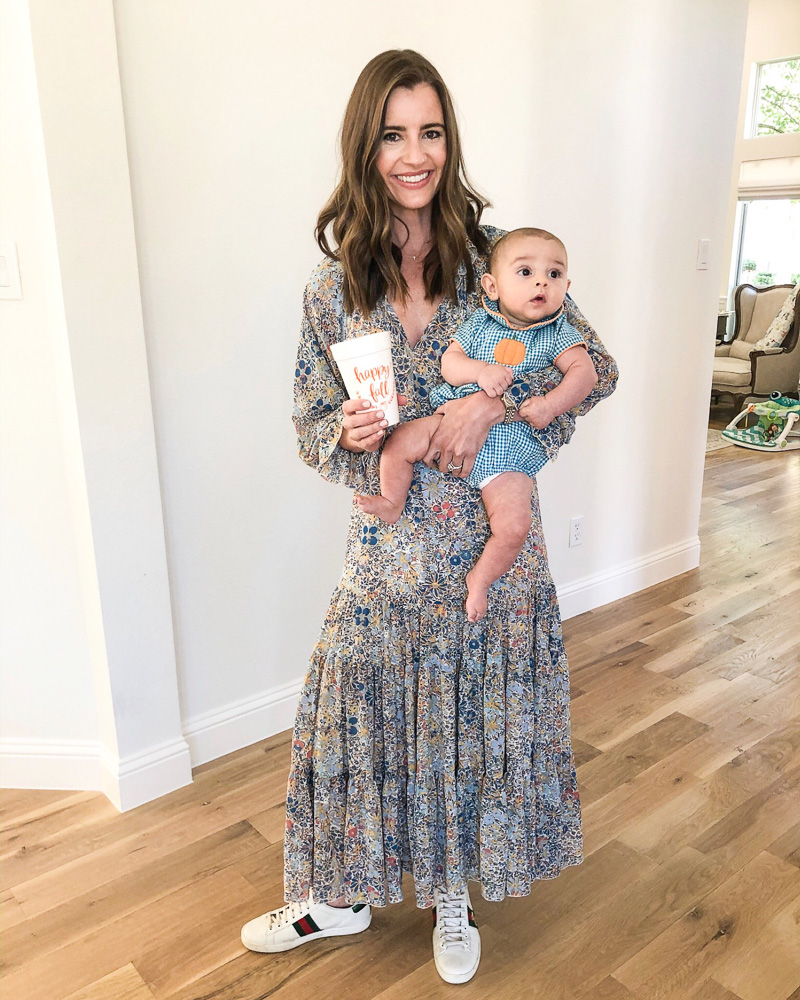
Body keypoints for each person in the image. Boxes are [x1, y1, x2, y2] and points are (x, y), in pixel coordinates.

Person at [240, 49, 618, 986]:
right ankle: (340, 894)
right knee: (353, 711)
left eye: (431, 131)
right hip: (387, 546)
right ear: (365, 146)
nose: (415, 155)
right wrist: (354, 431)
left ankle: (454, 893)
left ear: (450, 139)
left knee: (461, 723)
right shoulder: (334, 290)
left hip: (483, 544)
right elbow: (308, 424)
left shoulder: (498, 261)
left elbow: (592, 368)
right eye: (393, 134)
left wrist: (495, 404)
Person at [355, 227, 597, 622]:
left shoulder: (560, 333)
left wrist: (551, 405)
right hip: (446, 423)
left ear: (566, 287)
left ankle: (480, 579)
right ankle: (391, 501)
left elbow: (586, 376)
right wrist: (480, 372)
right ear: (492, 286)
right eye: (525, 273)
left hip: (511, 449)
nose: (541, 282)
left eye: (554, 275)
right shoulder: (479, 324)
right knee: (400, 441)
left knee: (514, 526)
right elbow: (450, 365)